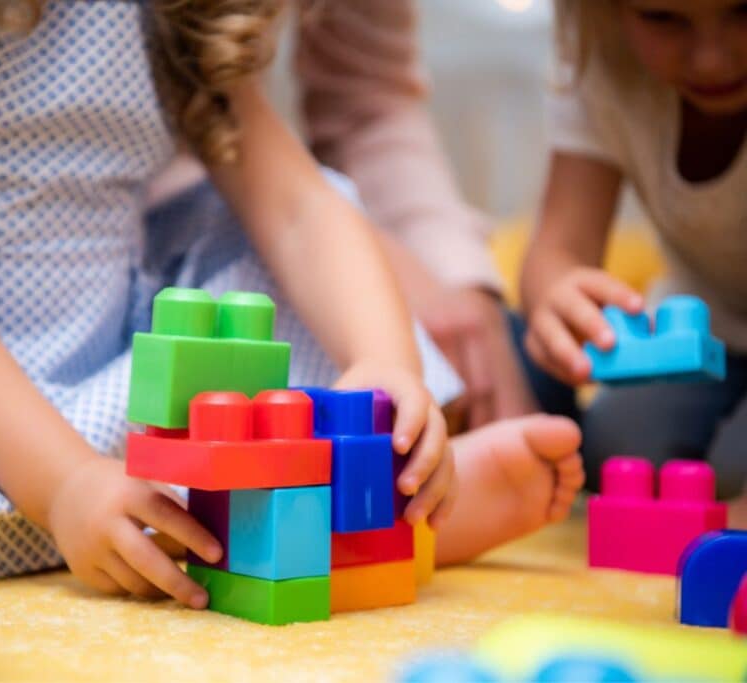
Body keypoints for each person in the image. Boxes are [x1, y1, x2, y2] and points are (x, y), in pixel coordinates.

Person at [0, 0, 581, 600]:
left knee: (276, 292)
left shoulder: (171, 9)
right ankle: (290, 531)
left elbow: (297, 206)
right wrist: (63, 489)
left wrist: (383, 364)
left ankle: (332, 493)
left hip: (120, 392)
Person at [149, 0, 541, 433]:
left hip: (284, 198)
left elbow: (366, 103)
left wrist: (454, 280)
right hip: (196, 226)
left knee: (529, 372)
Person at [522, 0, 747, 496]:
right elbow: (560, 246)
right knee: (618, 456)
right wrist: (557, 297)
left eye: (743, 11)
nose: (711, 58)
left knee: (728, 478)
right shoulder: (600, 64)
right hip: (708, 329)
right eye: (663, 18)